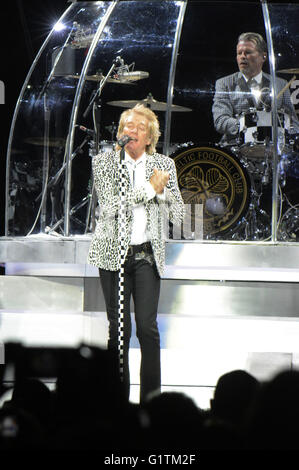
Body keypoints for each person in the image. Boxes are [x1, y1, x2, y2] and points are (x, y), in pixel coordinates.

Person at [88, 104, 184, 403]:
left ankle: (152, 401)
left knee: (147, 328)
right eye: (127, 126)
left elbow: (180, 215)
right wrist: (150, 188)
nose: (131, 130)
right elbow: (111, 207)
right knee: (119, 330)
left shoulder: (164, 165)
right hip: (113, 257)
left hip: (145, 257)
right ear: (119, 133)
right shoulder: (104, 162)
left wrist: (164, 191)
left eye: (139, 128)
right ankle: (117, 402)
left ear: (149, 138)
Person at [212, 31, 299, 144]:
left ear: (263, 56)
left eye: (248, 52)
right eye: (239, 53)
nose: (242, 56)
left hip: (273, 150)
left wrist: (288, 132)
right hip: (235, 149)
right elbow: (220, 121)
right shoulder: (224, 83)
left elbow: (294, 122)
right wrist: (248, 124)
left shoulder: (280, 84)